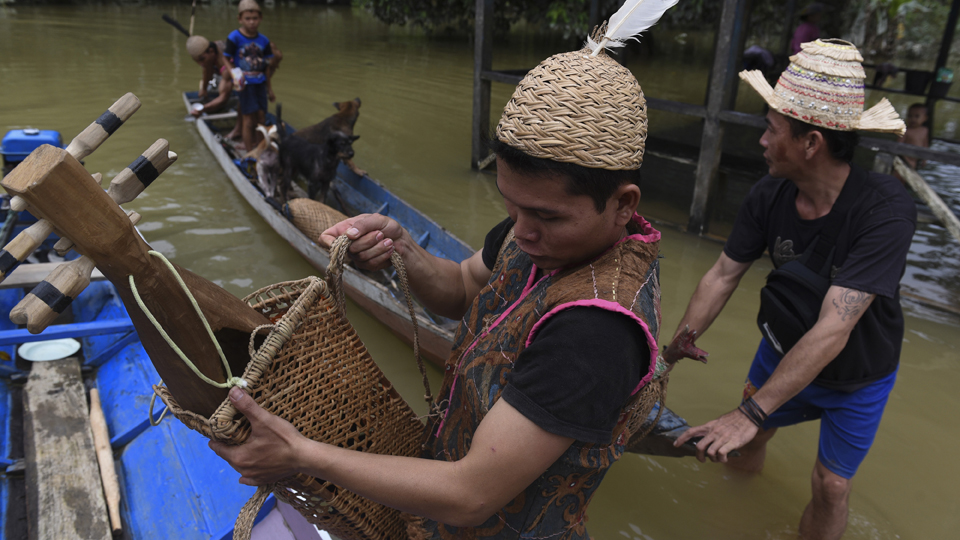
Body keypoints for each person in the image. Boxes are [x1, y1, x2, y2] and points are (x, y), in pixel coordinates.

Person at [209, 23, 671, 539]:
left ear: (623, 204)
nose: (522, 232)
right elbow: (459, 288)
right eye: (509, 205)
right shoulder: (537, 228)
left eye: (546, 216)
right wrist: (402, 249)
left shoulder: (596, 332)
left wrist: (299, 454)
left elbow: (469, 495)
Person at [673, 39, 913, 540]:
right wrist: (673, 347)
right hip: (780, 350)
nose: (761, 141)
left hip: (857, 375)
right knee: (745, 443)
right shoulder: (768, 195)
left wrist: (750, 411)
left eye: (771, 129)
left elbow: (834, 329)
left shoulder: (884, 209)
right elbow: (722, 274)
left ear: (811, 144)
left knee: (830, 486)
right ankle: (731, 512)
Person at [223, 0, 278, 151]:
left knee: (261, 117)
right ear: (240, 19)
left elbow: (266, 66)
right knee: (248, 120)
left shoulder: (264, 40)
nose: (252, 22)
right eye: (247, 19)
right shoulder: (234, 37)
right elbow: (226, 58)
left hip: (259, 83)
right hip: (245, 84)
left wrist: (270, 89)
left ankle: (259, 148)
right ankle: (249, 154)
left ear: (260, 19)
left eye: (255, 18)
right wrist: (234, 73)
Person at [898, 103, 930, 169]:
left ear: (925, 118)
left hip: (915, 160)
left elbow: (925, 145)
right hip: (904, 158)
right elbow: (898, 144)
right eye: (910, 116)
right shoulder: (906, 131)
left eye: (916, 116)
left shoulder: (925, 131)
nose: (913, 119)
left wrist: (924, 159)